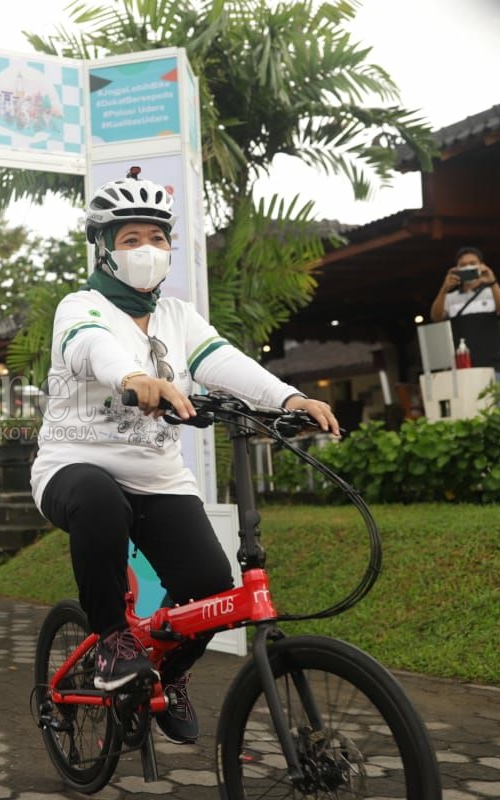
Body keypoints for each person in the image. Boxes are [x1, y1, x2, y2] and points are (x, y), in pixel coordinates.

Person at [29, 170, 339, 744]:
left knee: (211, 586)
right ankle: (111, 643)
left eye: (156, 237)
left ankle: (169, 678)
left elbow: (224, 361)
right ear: (105, 248)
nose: (146, 250)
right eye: (130, 239)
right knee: (99, 500)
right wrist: (134, 376)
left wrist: (289, 398)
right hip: (73, 466)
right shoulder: (81, 305)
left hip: (157, 477)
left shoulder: (178, 317)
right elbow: (89, 345)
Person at [430, 246, 500, 375]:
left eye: (472, 263)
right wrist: (444, 289)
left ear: (481, 266)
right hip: (462, 368)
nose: (468, 267)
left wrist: (492, 282)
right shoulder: (450, 298)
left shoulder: (495, 292)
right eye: (463, 265)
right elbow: (436, 317)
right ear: (456, 270)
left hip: (492, 367)